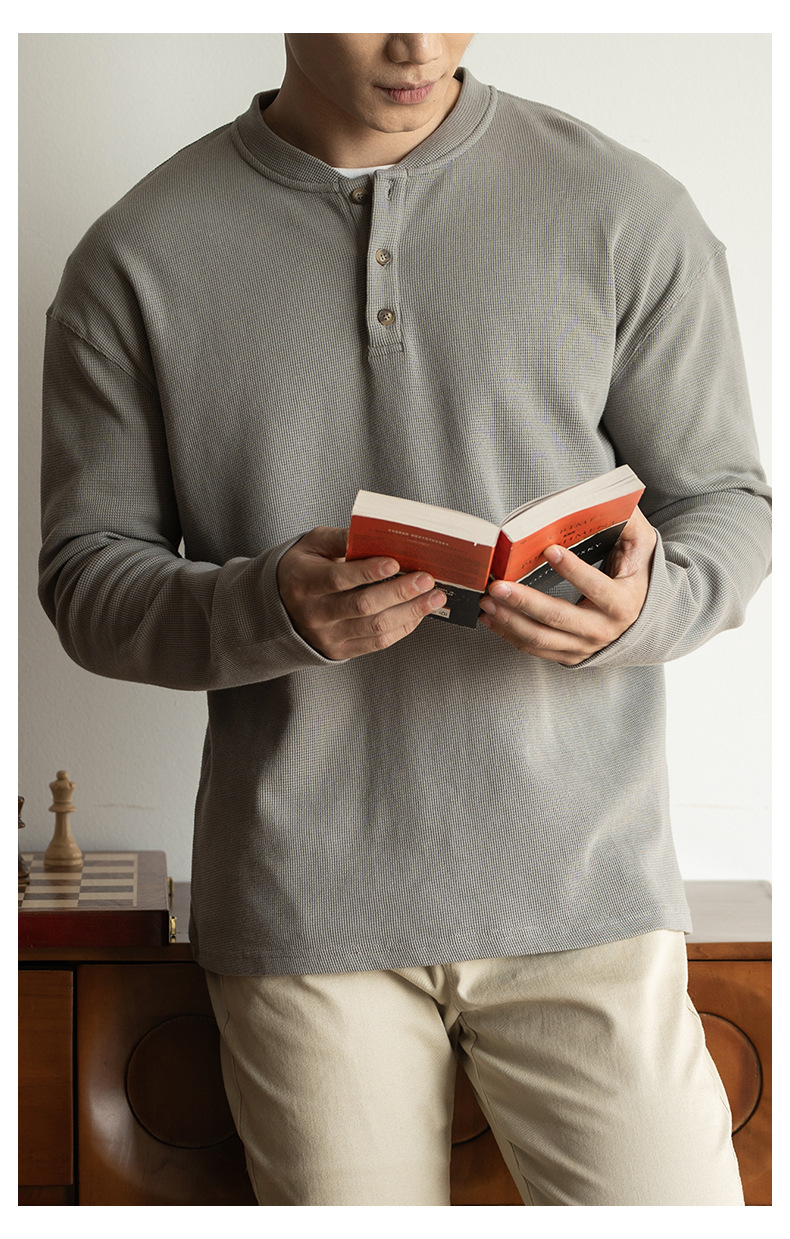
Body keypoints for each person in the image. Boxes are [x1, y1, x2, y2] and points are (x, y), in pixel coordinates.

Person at [39, 34, 770, 1206]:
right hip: (304, 913)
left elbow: (727, 502)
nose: (415, 43)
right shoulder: (138, 254)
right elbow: (85, 580)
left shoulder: (624, 209)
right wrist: (265, 606)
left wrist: (649, 606)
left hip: (588, 896)